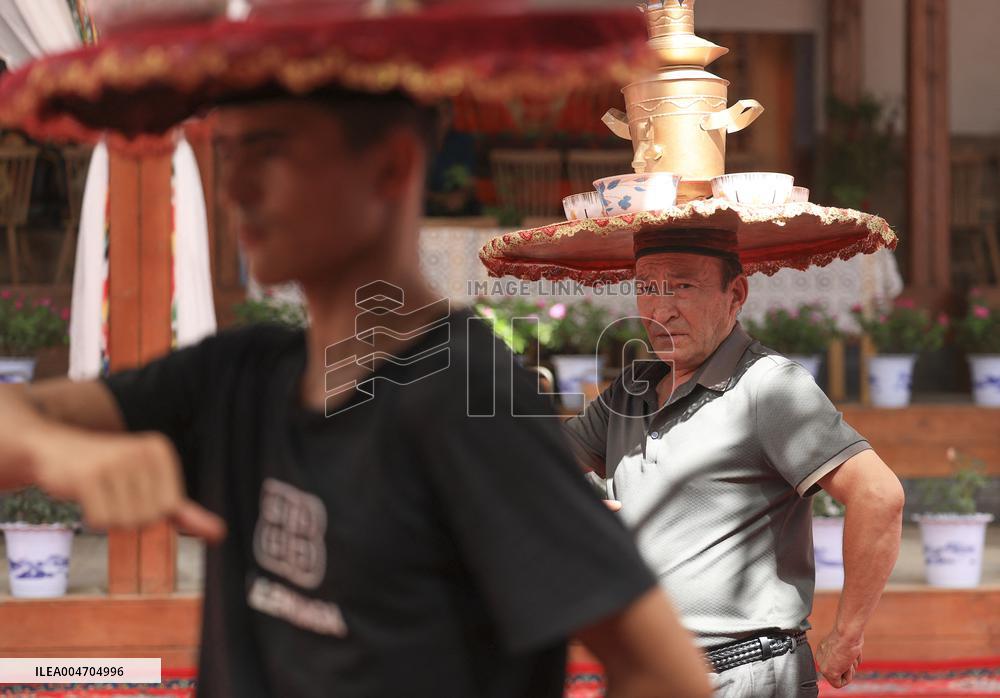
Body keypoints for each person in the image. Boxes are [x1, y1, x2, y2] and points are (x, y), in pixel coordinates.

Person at [0, 22, 713, 698]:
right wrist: (58, 453)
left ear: (390, 167)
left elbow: (664, 673)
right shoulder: (241, 374)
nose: (235, 188)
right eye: (231, 153)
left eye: (270, 152)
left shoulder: (464, 394)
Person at [564, 228, 905, 697]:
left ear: (736, 293)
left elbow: (879, 494)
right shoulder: (633, 388)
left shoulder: (769, 386)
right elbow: (537, 466)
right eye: (646, 286)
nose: (660, 310)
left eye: (682, 286)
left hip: (745, 675)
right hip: (649, 673)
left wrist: (846, 635)